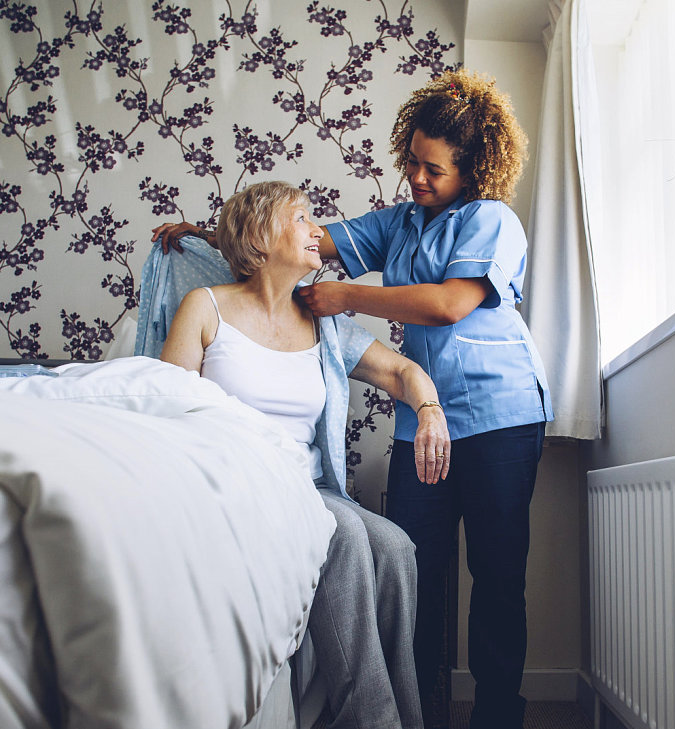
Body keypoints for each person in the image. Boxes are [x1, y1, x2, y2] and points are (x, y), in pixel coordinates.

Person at [154, 69, 553, 729]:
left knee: (495, 571)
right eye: (411, 163)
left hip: (499, 414)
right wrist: (205, 233)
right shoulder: (397, 224)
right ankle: (413, 709)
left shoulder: (490, 220)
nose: (417, 179)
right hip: (418, 421)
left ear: (472, 169)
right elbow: (289, 240)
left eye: (433, 170)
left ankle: (495, 716)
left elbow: (449, 303)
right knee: (409, 563)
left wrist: (348, 297)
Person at [158, 180, 451, 729]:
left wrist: (430, 408)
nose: (318, 232)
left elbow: (400, 371)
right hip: (238, 484)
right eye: (301, 219)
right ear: (260, 237)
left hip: (307, 487)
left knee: (396, 549)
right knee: (342, 531)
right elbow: (169, 409)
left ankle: (408, 719)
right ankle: (372, 720)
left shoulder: (324, 322)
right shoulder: (206, 307)